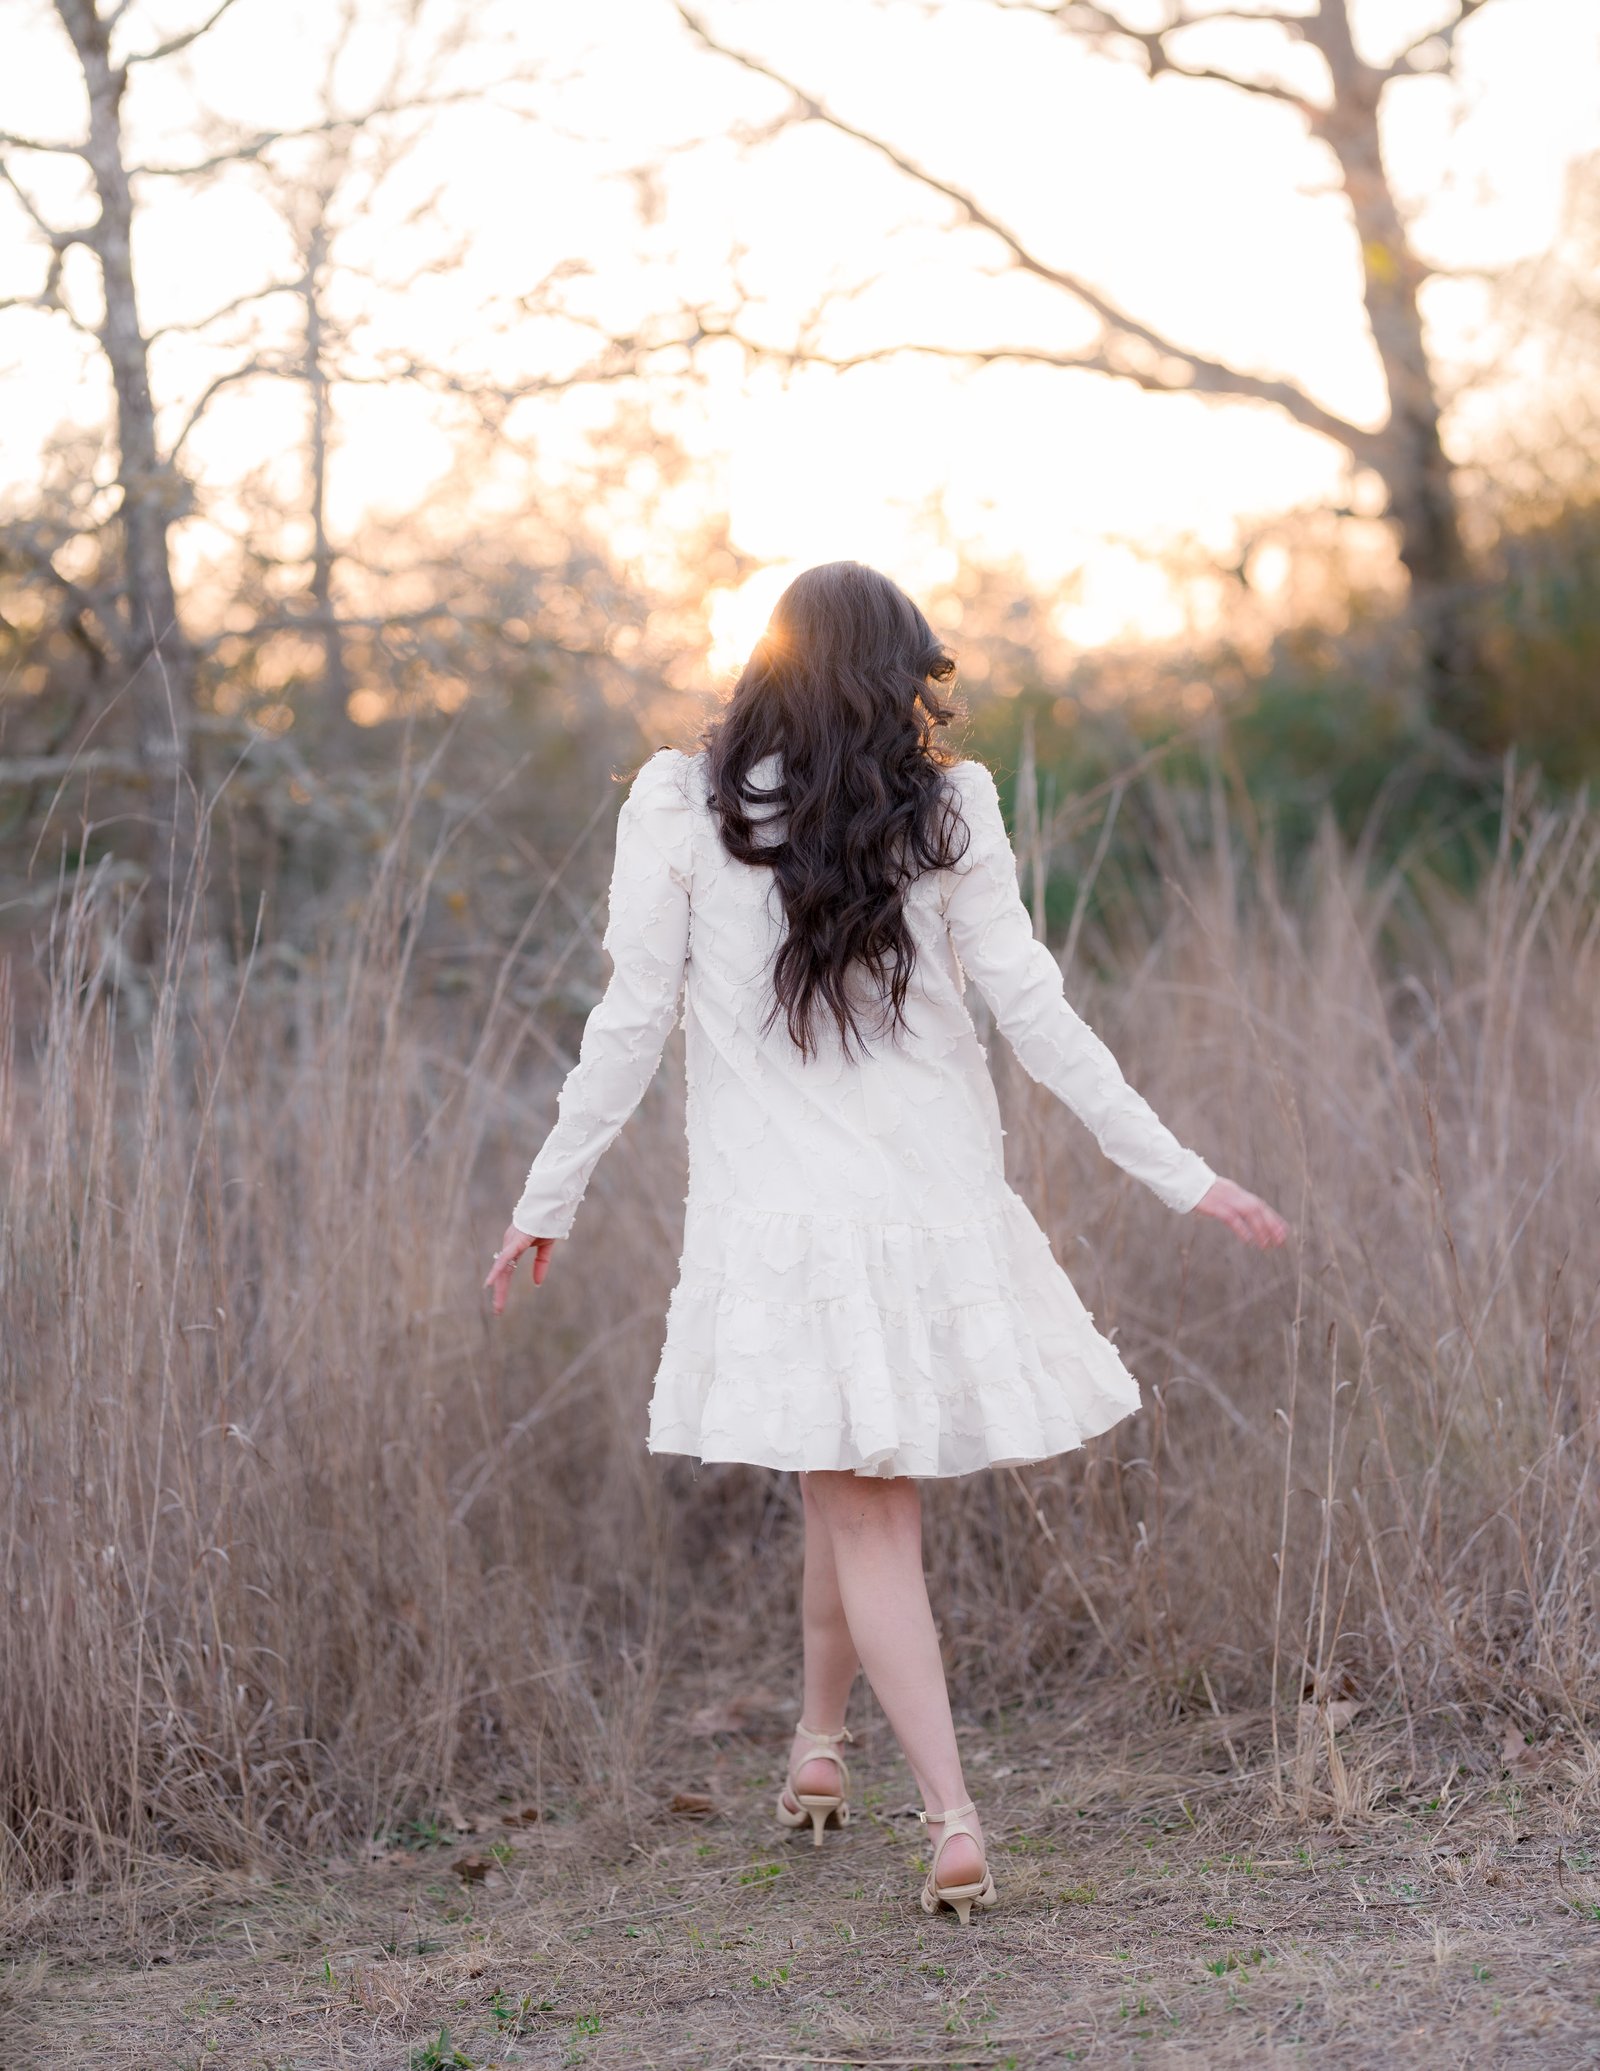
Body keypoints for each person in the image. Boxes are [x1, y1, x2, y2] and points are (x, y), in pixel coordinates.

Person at [485, 561, 1287, 1925]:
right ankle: (817, 1745)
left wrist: (545, 1198)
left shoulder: (685, 802)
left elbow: (629, 1020)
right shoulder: (941, 805)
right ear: (894, 678)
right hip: (925, 1206)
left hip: (795, 1220)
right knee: (847, 1479)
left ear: (767, 665)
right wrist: (1178, 1172)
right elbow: (1035, 1009)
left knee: (864, 1506)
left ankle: (952, 1818)